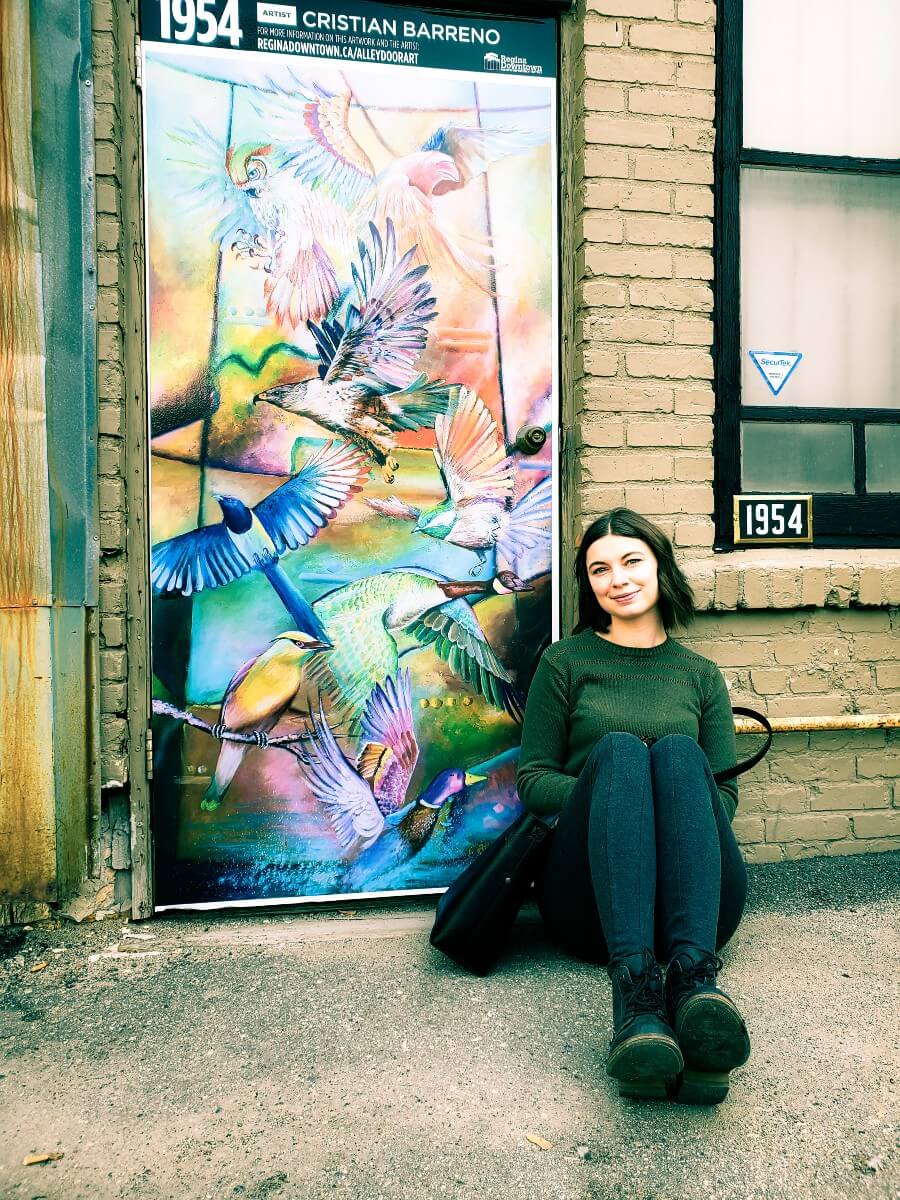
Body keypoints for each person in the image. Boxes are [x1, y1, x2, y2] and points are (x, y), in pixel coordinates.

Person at [516, 508, 750, 1106]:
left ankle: (696, 990)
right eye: (599, 569)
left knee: (675, 754)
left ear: (659, 567)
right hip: (589, 905)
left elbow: (722, 796)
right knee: (622, 756)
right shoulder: (565, 663)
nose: (616, 578)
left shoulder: (700, 676)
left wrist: (657, 790)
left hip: (694, 915)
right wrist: (620, 794)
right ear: (588, 585)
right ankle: (638, 1002)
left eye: (630, 561)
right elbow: (534, 780)